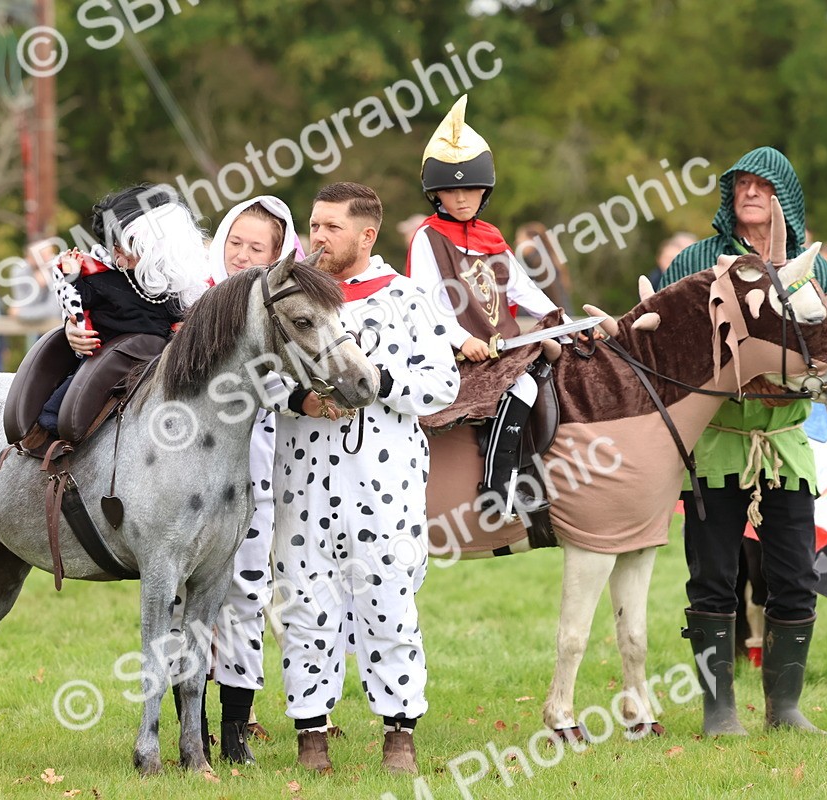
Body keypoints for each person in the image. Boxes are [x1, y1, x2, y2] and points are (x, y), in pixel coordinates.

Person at [661, 146, 827, 737]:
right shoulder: (697, 259)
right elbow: (662, 341)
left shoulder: (814, 269)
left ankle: (784, 709)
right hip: (717, 441)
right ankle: (718, 711)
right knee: (713, 576)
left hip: (785, 443)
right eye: (741, 183)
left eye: (763, 185)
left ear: (783, 196)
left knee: (795, 576)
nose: (750, 192)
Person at [272, 182, 458, 776]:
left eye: (332, 227)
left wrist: (378, 381)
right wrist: (301, 399)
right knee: (304, 604)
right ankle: (311, 735)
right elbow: (254, 375)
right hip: (303, 479)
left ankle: (399, 734)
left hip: (384, 481)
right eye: (314, 225)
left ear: (367, 235)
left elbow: (443, 383)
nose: (318, 237)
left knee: (388, 603)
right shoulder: (287, 298)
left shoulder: (407, 298)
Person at [405, 95, 561, 525]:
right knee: (521, 388)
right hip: (453, 353)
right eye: (452, 189)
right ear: (435, 193)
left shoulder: (491, 236)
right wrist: (462, 340)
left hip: (503, 348)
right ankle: (497, 490)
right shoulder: (428, 238)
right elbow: (425, 303)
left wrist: (565, 323)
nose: (462, 198)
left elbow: (525, 291)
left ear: (485, 191)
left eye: (471, 188)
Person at [191, 195, 305, 765]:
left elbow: (287, 384)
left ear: (277, 255)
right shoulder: (192, 298)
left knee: (245, 594)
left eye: (256, 247)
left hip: (252, 471)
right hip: (187, 474)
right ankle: (190, 727)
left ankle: (236, 728)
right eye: (234, 241)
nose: (240, 254)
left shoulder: (279, 313)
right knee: (185, 598)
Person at [44, 185, 208, 437]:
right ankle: (52, 420)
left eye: (126, 246)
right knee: (76, 391)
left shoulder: (183, 288)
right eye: (115, 246)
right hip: (106, 355)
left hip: (156, 364)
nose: (117, 255)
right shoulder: (106, 276)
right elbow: (81, 298)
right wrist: (72, 276)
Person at [515, 221, 575, 314]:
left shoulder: (539, 262)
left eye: (521, 238)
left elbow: (553, 297)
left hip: (558, 317)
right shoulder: (542, 259)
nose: (517, 242)